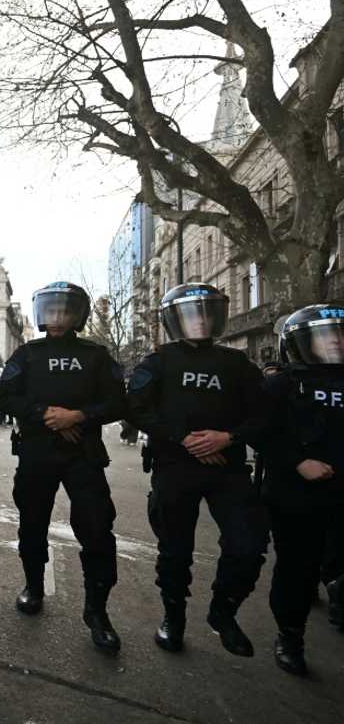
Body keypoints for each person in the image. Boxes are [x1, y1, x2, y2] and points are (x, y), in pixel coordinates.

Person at [128, 283, 270, 657]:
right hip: (175, 467)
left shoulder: (237, 364)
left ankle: (223, 611)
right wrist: (183, 439)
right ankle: (173, 617)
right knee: (175, 552)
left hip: (228, 468)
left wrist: (228, 437)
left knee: (248, 545)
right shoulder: (158, 361)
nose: (201, 321)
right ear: (175, 321)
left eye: (207, 313)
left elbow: (265, 414)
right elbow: (138, 409)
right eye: (192, 314)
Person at [0, 281, 125, 651]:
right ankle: (33, 586)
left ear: (77, 315)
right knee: (32, 522)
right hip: (38, 451)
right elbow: (5, 395)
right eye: (50, 309)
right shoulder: (27, 354)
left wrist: (80, 417)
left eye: (64, 310)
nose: (56, 317)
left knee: (97, 528)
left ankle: (97, 610)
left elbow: (119, 402)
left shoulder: (96, 355)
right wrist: (46, 417)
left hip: (82, 454)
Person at [260, 303, 344, 675]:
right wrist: (297, 462)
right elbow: (263, 432)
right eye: (325, 338)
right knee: (297, 568)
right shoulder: (282, 385)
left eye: (340, 337)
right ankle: (290, 635)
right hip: (297, 494)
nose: (334, 345)